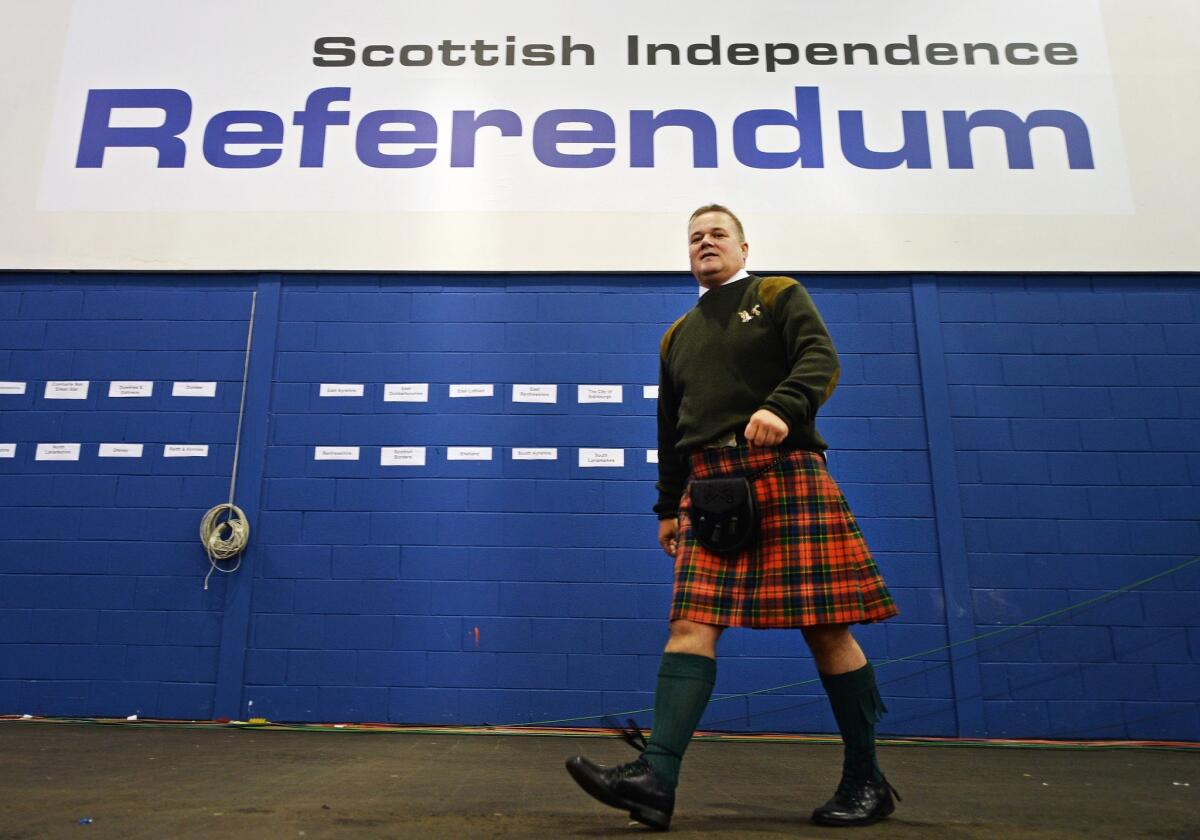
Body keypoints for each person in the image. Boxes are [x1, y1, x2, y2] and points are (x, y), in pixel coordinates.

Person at [566, 204, 900, 830]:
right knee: (690, 623)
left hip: (784, 472)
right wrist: (668, 505)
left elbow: (820, 359)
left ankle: (867, 781)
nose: (705, 243)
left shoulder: (777, 294)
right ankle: (655, 781)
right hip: (709, 490)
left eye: (718, 234)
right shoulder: (677, 334)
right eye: (695, 238)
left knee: (826, 629)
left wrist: (784, 405)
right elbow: (671, 431)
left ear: (744, 249)